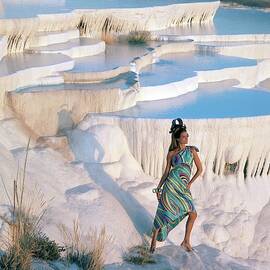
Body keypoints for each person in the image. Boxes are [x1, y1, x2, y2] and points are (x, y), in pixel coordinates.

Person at [149, 118, 203, 253]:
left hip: (183, 188)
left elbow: (200, 169)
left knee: (193, 214)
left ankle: (186, 241)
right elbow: (166, 172)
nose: (186, 138)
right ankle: (153, 243)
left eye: (187, 136)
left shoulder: (191, 151)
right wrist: (158, 188)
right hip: (170, 186)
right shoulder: (171, 153)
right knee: (163, 213)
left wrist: (190, 183)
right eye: (184, 136)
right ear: (178, 138)